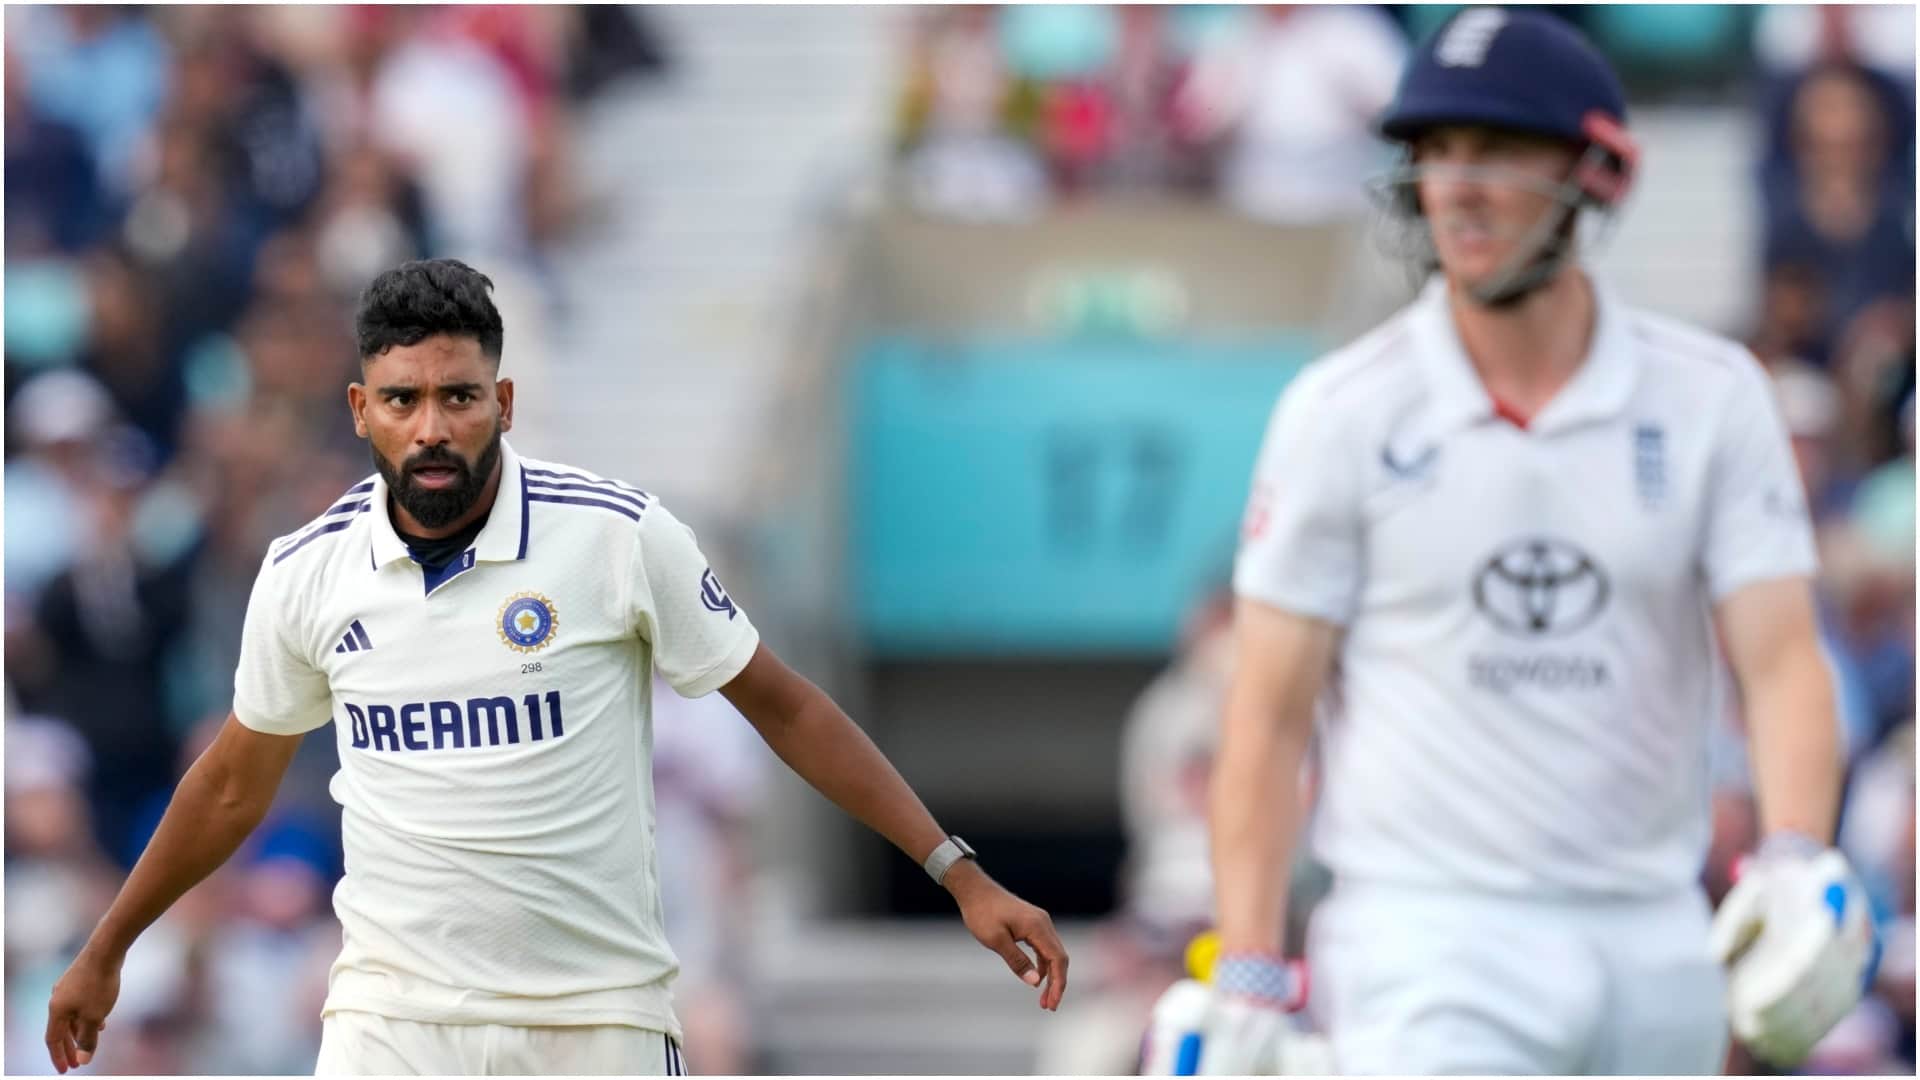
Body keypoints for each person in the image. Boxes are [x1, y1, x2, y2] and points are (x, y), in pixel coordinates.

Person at [44, 258, 1068, 1076]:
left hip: (594, 1023)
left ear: (507, 400)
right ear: (360, 408)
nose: (433, 428)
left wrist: (957, 872)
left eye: (460, 396)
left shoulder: (616, 537)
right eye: (403, 401)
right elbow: (232, 783)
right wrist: (106, 948)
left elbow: (784, 707)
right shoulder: (306, 571)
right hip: (393, 1022)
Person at [1156, 8, 1877, 1075]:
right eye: (1437, 153)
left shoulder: (1712, 399)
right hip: (1428, 935)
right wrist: (1251, 967)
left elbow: (1780, 663)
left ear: (1596, 170)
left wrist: (1793, 853)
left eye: (1496, 149)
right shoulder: (1343, 412)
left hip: (1655, 934)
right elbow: (1266, 714)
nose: (1458, 185)